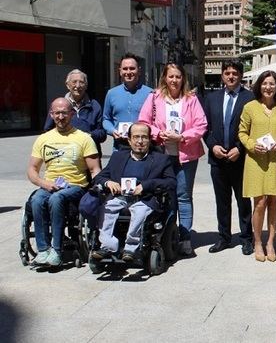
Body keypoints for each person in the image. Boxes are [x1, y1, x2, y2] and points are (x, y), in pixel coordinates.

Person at [138, 62, 207, 256]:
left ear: (183, 78)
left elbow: (201, 125)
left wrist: (182, 137)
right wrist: (159, 133)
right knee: (166, 196)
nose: (174, 80)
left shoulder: (191, 99)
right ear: (164, 78)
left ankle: (185, 238)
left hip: (186, 155)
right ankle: (168, 235)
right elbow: (144, 122)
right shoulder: (154, 98)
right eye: (171, 76)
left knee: (184, 197)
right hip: (162, 155)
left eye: (178, 77)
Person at [27, 98, 101, 266]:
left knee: (56, 198)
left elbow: (94, 169)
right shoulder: (43, 139)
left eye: (64, 113)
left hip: (76, 186)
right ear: (51, 115)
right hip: (49, 185)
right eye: (57, 113)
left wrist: (99, 187)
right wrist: (43, 183)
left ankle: (57, 250)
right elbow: (32, 169)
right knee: (37, 199)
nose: (61, 117)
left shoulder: (83, 138)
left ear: (72, 114)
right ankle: (43, 250)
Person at [91, 123, 176, 262]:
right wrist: (108, 183)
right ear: (129, 140)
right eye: (136, 137)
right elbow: (99, 177)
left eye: (144, 137)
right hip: (120, 197)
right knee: (106, 208)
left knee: (139, 211)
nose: (140, 141)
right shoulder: (118, 157)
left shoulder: (161, 159)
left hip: (145, 199)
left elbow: (171, 182)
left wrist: (146, 185)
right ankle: (107, 246)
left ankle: (131, 248)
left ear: (150, 140)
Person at [202, 60, 255, 255]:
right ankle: (224, 237)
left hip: (240, 159)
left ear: (241, 75)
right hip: (217, 159)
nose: (231, 76)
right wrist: (212, 145)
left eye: (234, 73)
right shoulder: (211, 98)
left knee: (243, 201)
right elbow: (204, 127)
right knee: (221, 201)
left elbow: (253, 128)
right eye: (227, 73)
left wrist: (240, 148)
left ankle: (246, 238)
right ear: (222, 75)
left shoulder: (250, 98)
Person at [239, 71, 276, 262]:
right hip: (256, 161)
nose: (268, 87)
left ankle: (271, 242)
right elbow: (242, 133)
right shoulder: (250, 107)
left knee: (274, 202)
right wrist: (253, 145)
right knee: (259, 202)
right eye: (264, 84)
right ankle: (258, 242)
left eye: (272, 84)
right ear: (259, 86)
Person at [44, 69, 106, 156]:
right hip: (65, 156)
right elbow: (48, 130)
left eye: (81, 82)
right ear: (67, 85)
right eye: (74, 82)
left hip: (89, 156)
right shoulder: (59, 105)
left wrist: (88, 135)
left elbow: (102, 134)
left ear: (86, 85)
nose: (78, 85)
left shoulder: (94, 106)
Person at [102, 53, 153, 150]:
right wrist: (112, 130)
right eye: (125, 69)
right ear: (120, 71)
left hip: (143, 148)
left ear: (139, 70)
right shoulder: (111, 93)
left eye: (132, 68)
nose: (128, 72)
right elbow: (106, 119)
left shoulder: (150, 93)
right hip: (120, 147)